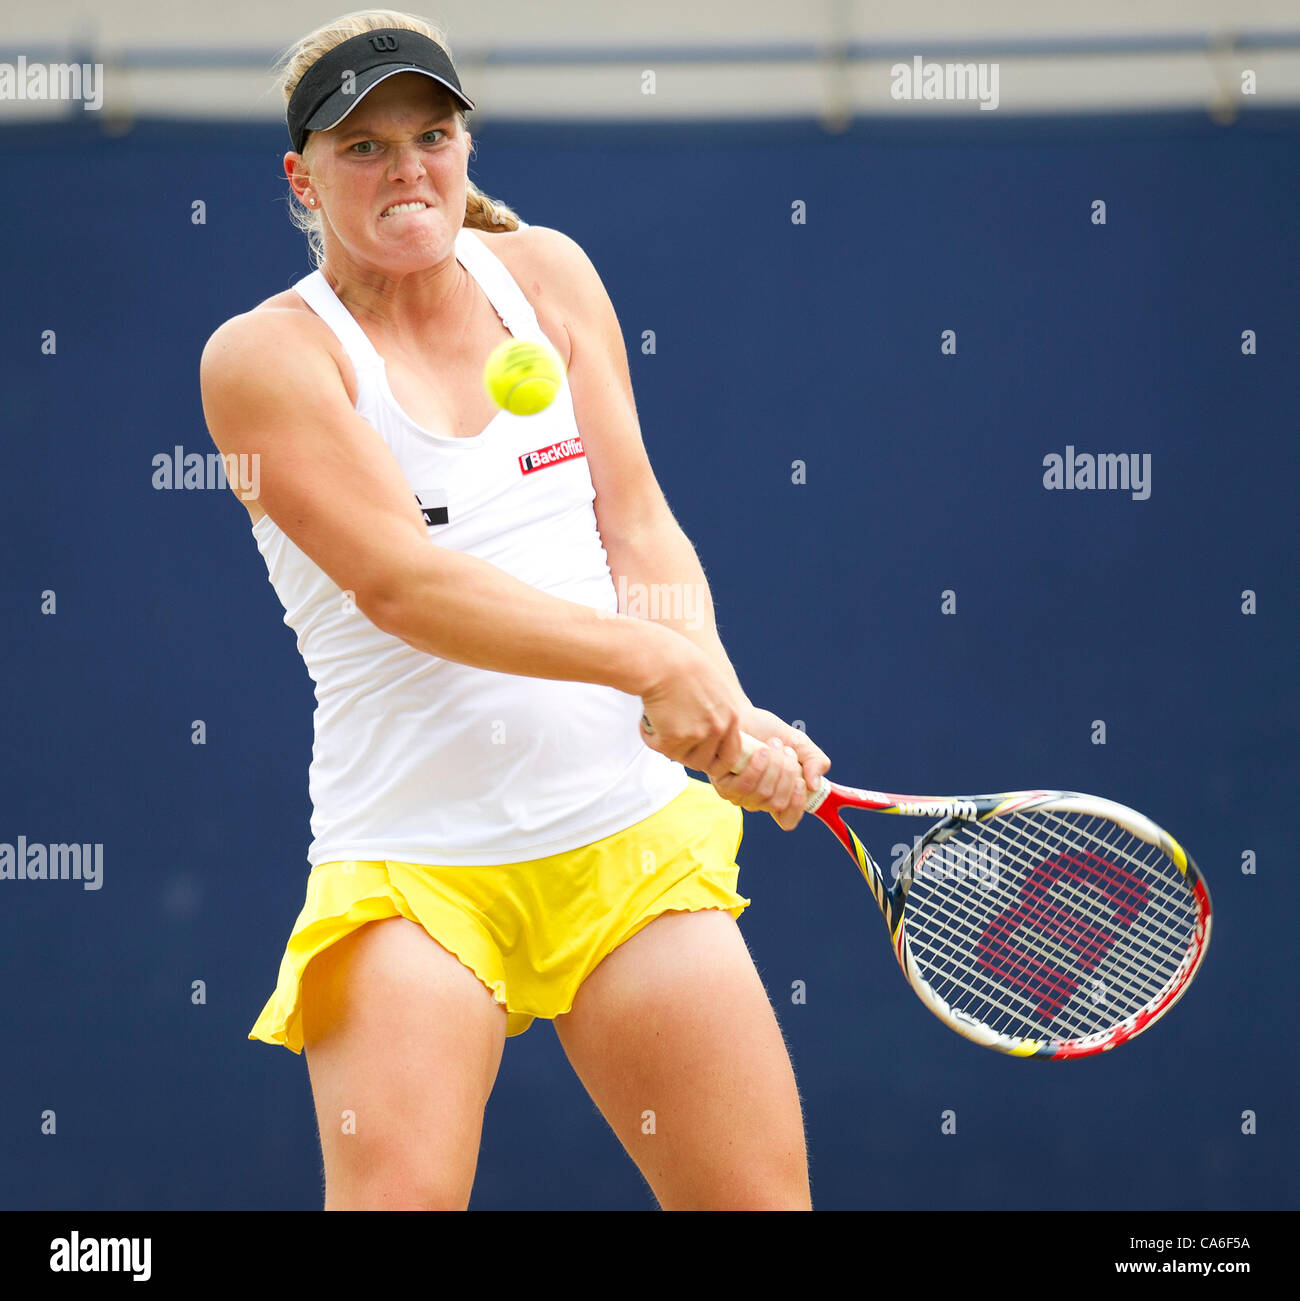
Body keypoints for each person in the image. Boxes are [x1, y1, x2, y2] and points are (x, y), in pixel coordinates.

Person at [199, 9, 829, 1212]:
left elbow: (639, 526)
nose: (406, 171)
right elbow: (401, 585)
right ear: (302, 175)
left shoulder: (550, 276)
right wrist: (647, 661)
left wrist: (721, 705)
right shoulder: (264, 358)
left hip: (626, 842)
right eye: (363, 147)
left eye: (430, 135)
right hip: (415, 869)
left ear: (466, 146)